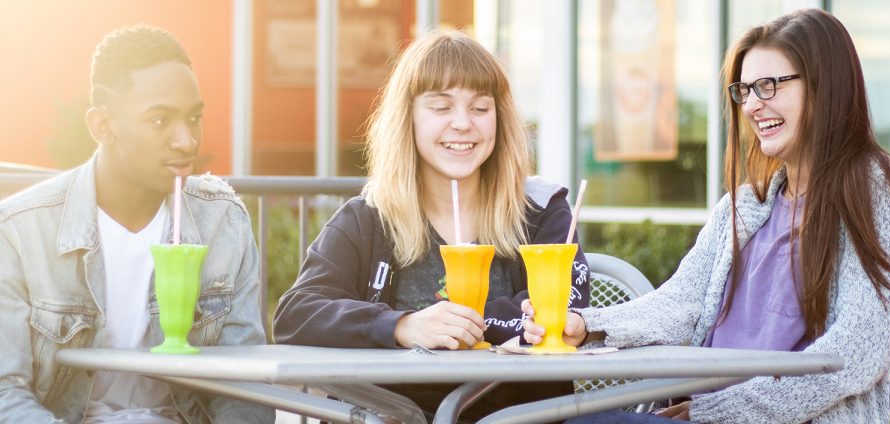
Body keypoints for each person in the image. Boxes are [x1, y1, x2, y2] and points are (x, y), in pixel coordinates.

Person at [524, 8, 890, 423]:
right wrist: (585, 324)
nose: (753, 105)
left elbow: (858, 351)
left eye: (770, 86)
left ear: (826, 87)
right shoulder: (743, 207)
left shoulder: (877, 192)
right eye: (746, 90)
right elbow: (681, 304)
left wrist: (718, 412)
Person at [273, 29, 591, 421]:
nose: (462, 124)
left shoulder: (542, 210)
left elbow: (562, 310)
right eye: (440, 107)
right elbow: (296, 314)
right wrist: (402, 326)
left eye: (480, 108)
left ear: (499, 117)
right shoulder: (369, 217)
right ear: (408, 117)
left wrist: (460, 322)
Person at [0, 26, 273, 423]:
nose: (187, 141)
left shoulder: (223, 222)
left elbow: (247, 388)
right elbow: (5, 391)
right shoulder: (20, 230)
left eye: (194, 118)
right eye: (160, 120)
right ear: (102, 127)